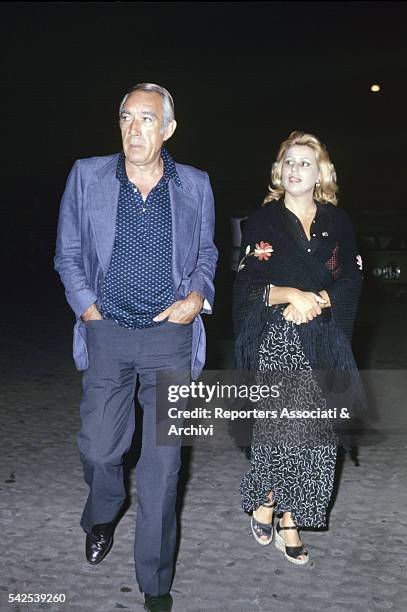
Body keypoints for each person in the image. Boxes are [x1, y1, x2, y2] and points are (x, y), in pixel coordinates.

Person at [54, 83, 217, 612]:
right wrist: (90, 311)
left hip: (171, 337)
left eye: (146, 119)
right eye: (126, 117)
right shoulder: (87, 175)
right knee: (100, 449)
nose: (133, 129)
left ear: (168, 129)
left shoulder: (195, 184)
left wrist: (197, 297)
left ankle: (156, 584)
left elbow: (208, 254)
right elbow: (69, 253)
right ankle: (104, 509)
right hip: (108, 333)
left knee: (164, 468)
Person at [233, 131, 363, 565]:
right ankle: (271, 500)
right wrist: (289, 293)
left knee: (318, 436)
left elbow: (352, 279)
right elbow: (247, 285)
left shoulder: (338, 222)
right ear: (278, 170)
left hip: (323, 334)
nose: (294, 169)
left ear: (320, 172)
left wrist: (318, 300)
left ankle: (288, 511)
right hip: (278, 333)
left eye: (304, 163)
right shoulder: (264, 220)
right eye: (288, 161)